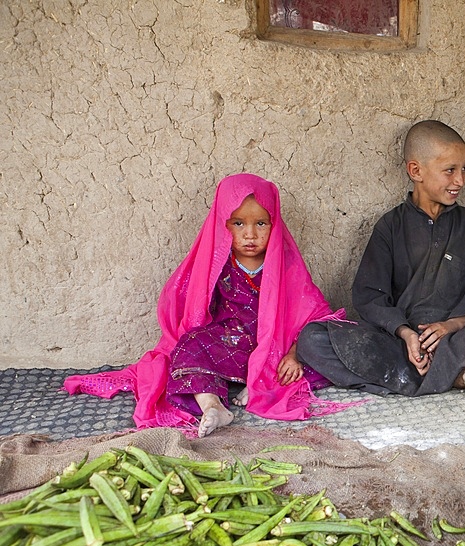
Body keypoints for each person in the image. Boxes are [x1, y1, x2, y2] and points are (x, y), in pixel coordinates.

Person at [64, 173, 360, 436]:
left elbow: (312, 316)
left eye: (261, 223)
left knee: (316, 353)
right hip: (230, 344)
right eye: (238, 223)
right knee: (189, 345)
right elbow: (193, 306)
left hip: (273, 346)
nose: (250, 234)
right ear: (223, 224)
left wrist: (294, 354)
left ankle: (261, 382)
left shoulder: (285, 266)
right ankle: (213, 406)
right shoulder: (218, 264)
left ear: (275, 224)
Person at [297, 120, 465, 397]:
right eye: (450, 170)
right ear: (416, 171)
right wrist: (406, 334)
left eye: (464, 169)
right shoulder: (390, 227)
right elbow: (369, 297)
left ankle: (409, 376)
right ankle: (453, 374)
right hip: (399, 343)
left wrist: (450, 326)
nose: (460, 180)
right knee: (313, 339)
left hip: (458, 337)